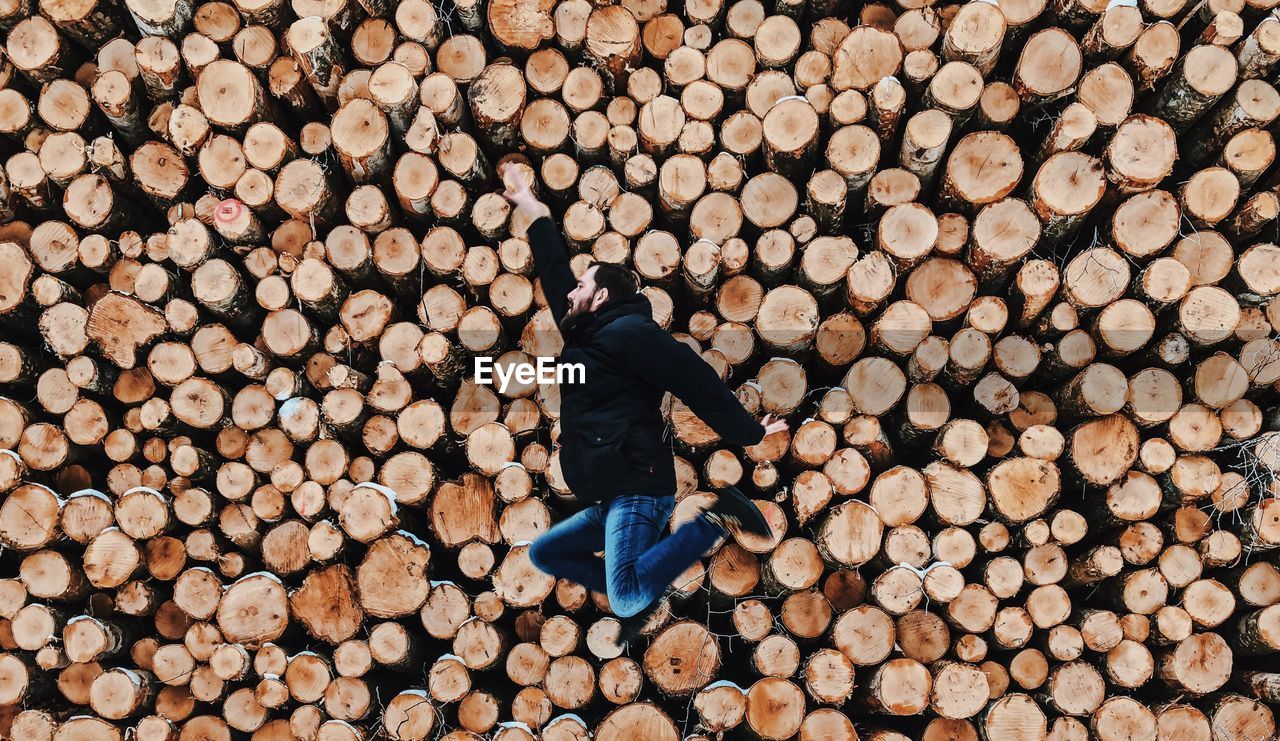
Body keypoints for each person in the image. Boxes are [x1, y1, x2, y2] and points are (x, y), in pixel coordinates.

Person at [500, 162, 788, 645]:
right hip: (611, 493)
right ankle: (638, 586)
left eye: (583, 286)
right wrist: (531, 205)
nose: (571, 292)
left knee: (626, 598)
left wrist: (751, 433)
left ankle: (720, 516)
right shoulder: (588, 333)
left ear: (603, 296)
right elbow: (553, 273)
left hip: (639, 487)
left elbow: (696, 381)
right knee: (545, 554)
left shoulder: (632, 334)